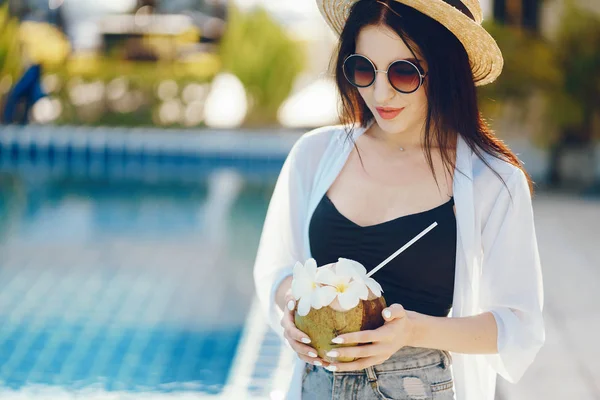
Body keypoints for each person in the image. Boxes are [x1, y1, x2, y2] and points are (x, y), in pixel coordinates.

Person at [253, 0, 545, 399]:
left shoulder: (492, 180)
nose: (380, 92)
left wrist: (412, 330)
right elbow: (278, 269)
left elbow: (517, 325)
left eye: (403, 72)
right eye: (363, 69)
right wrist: (293, 313)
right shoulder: (314, 155)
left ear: (444, 70)